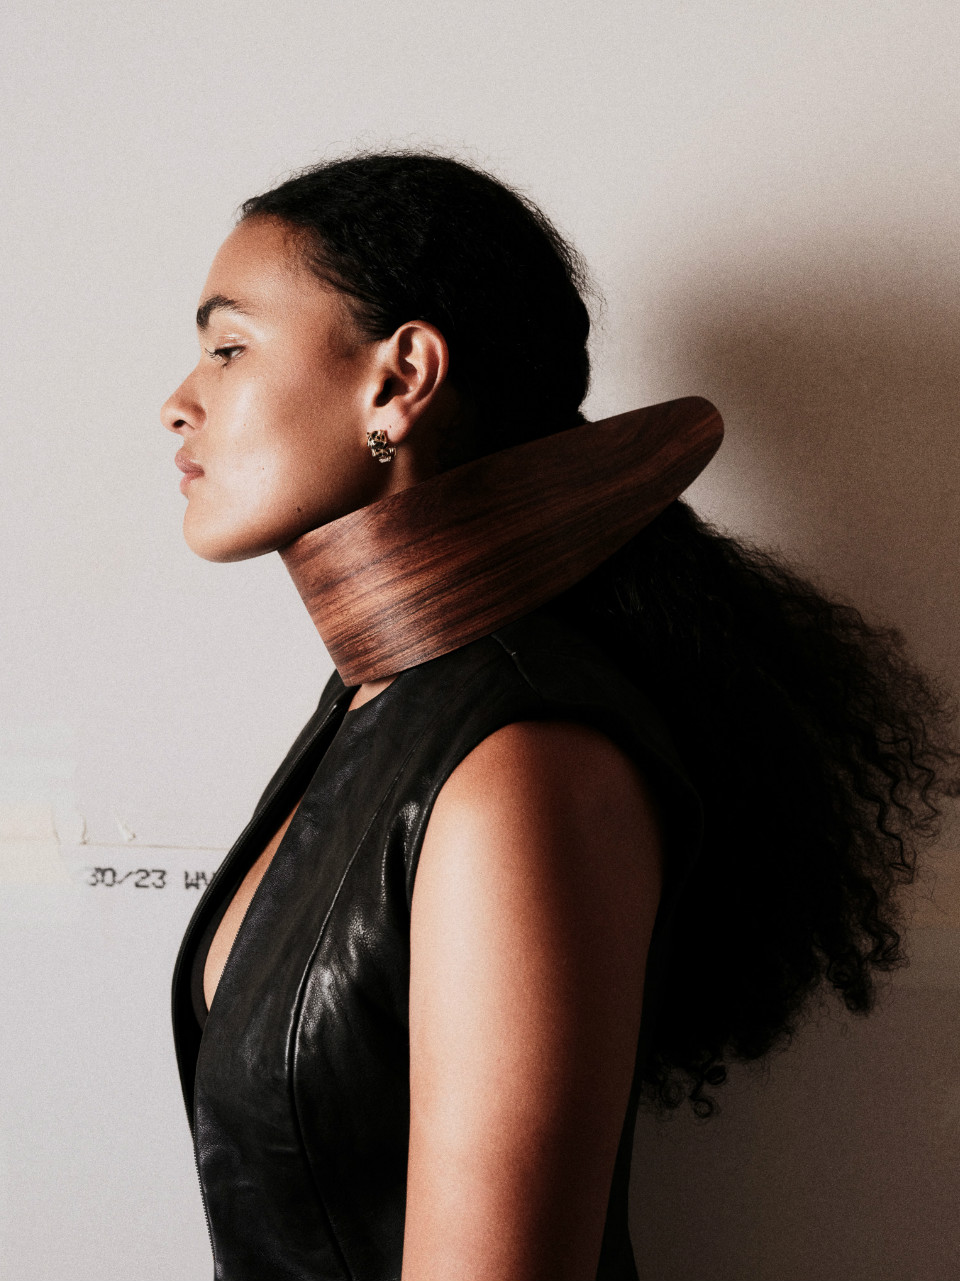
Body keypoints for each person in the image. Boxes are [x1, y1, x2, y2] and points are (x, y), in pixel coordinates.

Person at [164, 151, 960, 1281]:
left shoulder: (515, 766)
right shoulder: (376, 699)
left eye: (228, 348)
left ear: (399, 380)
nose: (178, 402)